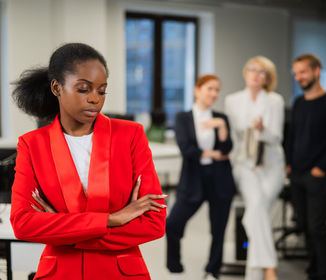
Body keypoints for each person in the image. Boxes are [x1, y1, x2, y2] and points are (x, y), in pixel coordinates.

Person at [10, 42, 167, 280]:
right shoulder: (32, 145)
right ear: (56, 87)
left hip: (121, 274)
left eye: (101, 91)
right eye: (84, 89)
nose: (95, 99)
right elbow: (23, 224)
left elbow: (154, 222)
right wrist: (111, 219)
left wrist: (64, 231)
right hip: (60, 274)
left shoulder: (131, 135)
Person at [166, 74, 236, 280]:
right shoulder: (183, 118)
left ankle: (213, 269)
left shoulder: (221, 118)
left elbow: (227, 148)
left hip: (220, 178)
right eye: (210, 89)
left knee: (218, 230)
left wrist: (221, 127)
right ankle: (174, 267)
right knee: (173, 224)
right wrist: (210, 154)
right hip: (193, 178)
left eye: (217, 90)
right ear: (197, 90)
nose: (214, 94)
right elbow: (186, 149)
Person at [286, 54, 326, 280]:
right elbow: (292, 136)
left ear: (316, 71)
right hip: (297, 174)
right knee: (302, 225)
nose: (298, 77)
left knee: (317, 228)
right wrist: (289, 163)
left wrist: (322, 167)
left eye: (302, 72)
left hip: (316, 175)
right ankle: (313, 270)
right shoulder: (299, 102)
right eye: (296, 73)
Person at [225, 56, 285, 280]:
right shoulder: (233, 101)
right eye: (252, 69)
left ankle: (255, 274)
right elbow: (233, 139)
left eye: (262, 72)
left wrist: (262, 130)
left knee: (255, 214)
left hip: (271, 166)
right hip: (245, 165)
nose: (256, 74)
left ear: (268, 79)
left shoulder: (274, 101)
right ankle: (270, 268)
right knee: (258, 207)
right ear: (245, 72)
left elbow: (277, 137)